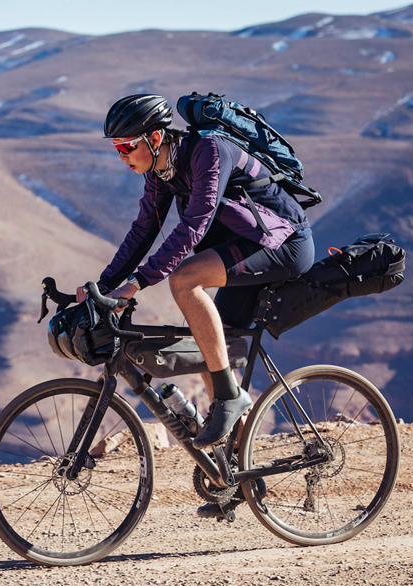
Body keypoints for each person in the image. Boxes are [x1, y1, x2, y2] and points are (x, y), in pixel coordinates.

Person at [78, 93, 315, 458]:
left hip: (282, 242)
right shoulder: (162, 171)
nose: (122, 157)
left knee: (184, 280)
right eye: (116, 149)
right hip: (245, 245)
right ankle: (234, 473)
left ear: (155, 139)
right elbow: (144, 230)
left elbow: (195, 224)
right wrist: (104, 285)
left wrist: (139, 282)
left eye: (126, 147)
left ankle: (229, 399)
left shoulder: (209, 150)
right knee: (206, 344)